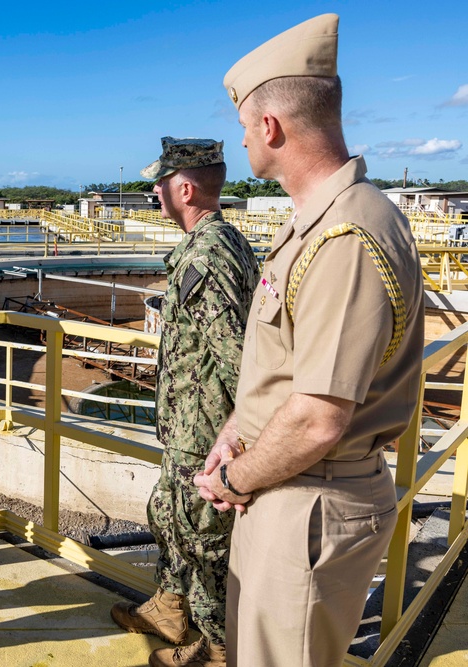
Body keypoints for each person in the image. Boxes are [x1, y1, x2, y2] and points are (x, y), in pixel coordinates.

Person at [193, 14, 425, 667]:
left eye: (244, 128)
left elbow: (320, 417)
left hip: (309, 505)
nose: (242, 142)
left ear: (270, 127)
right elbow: (290, 367)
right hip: (289, 490)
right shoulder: (322, 223)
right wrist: (236, 429)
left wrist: (234, 477)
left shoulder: (343, 237)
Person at [110, 138, 259, 667]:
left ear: (186, 188)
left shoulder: (207, 253)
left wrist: (237, 436)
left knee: (204, 539)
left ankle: (220, 650)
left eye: (160, 182)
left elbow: (236, 353)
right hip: (191, 427)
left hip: (206, 432)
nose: (153, 190)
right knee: (168, 515)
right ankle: (170, 608)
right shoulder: (223, 242)